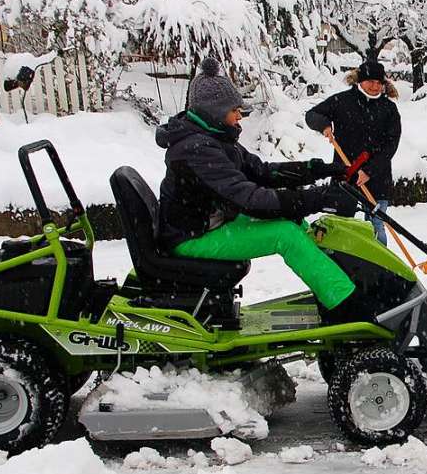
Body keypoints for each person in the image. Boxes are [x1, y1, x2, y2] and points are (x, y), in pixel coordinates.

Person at [156, 57, 363, 321]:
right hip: (191, 237)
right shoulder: (197, 148)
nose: (240, 115)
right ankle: (349, 307)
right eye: (235, 110)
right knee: (285, 234)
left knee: (292, 222)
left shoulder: (212, 139)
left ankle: (334, 287)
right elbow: (250, 198)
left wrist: (318, 169)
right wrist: (316, 198)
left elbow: (263, 172)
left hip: (207, 223)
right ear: (215, 111)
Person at [305, 60, 401, 245]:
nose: (375, 86)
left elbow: (391, 145)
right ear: (360, 81)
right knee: (344, 226)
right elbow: (312, 115)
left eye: (379, 83)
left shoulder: (388, 109)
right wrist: (324, 125)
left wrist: (369, 171)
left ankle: (379, 267)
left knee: (376, 226)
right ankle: (347, 266)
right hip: (345, 178)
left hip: (377, 179)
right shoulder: (342, 101)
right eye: (370, 81)